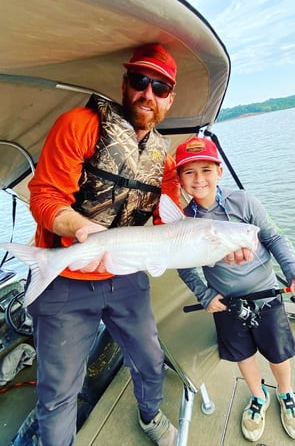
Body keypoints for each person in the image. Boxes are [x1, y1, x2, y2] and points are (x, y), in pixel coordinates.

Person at [26, 43, 181, 446]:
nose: (148, 94)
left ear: (170, 99)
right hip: (66, 277)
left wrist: (222, 242)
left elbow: (171, 223)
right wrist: (82, 230)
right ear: (125, 84)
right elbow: (44, 196)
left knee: (150, 361)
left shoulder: (164, 161)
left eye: (160, 87)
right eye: (140, 81)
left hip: (126, 277)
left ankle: (150, 417)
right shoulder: (79, 125)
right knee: (58, 393)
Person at [174, 136, 295, 442]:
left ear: (219, 171)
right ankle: (258, 396)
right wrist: (205, 295)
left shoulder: (244, 201)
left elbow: (275, 239)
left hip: (266, 295)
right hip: (227, 304)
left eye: (206, 170)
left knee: (277, 353)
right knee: (243, 354)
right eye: (189, 172)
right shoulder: (184, 221)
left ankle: (286, 394)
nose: (199, 179)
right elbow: (184, 266)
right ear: (180, 180)